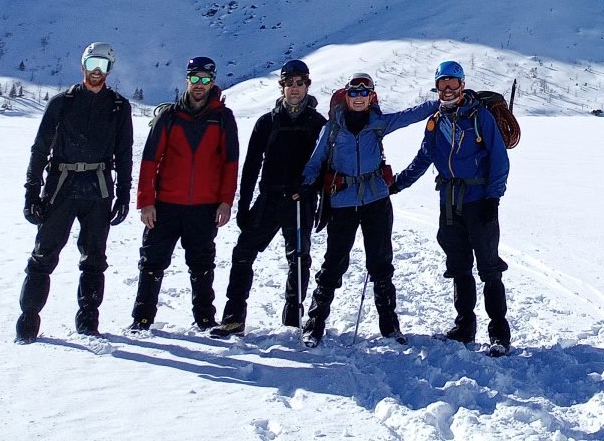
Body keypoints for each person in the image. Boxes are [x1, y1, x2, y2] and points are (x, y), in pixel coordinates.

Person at [297, 72, 436, 345]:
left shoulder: (378, 123)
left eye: (365, 93)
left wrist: (441, 101)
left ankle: (390, 326)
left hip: (376, 201)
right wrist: (305, 183)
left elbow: (411, 114)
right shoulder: (332, 128)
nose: (359, 98)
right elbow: (316, 161)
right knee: (334, 263)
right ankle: (314, 323)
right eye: (354, 93)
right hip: (342, 203)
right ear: (346, 96)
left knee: (381, 263)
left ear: (371, 97)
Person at [15, 42, 133, 342]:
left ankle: (88, 321)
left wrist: (123, 193)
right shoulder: (61, 102)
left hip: (99, 188)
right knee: (43, 255)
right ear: (82, 65)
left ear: (110, 70)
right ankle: (28, 322)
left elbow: (125, 152)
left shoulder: (119, 107)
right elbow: (40, 149)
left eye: (103, 65)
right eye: (92, 63)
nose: (97, 71)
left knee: (95, 259)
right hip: (62, 187)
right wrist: (32, 192)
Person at [392, 59, 512, 353]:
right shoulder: (436, 122)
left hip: (480, 201)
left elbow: (499, 159)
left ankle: (499, 334)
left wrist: (494, 198)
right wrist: (396, 184)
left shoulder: (479, 116)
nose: (447, 89)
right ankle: (464, 328)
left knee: (489, 267)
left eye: (452, 83)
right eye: (442, 84)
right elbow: (424, 158)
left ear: (462, 84)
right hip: (449, 204)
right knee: (458, 266)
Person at [212, 59, 326, 337]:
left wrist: (315, 196)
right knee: (243, 253)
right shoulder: (267, 121)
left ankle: (292, 317)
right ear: (282, 87)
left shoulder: (318, 123)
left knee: (299, 258)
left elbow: (325, 165)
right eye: (289, 83)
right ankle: (233, 317)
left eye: (300, 83)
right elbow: (251, 165)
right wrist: (243, 205)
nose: (295, 89)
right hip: (270, 198)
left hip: (301, 201)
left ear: (307, 85)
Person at [129, 56, 239, 331]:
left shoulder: (223, 118)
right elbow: (150, 160)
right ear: (187, 80)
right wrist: (146, 201)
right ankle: (142, 319)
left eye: (205, 79)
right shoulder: (170, 116)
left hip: (204, 206)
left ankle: (204, 319)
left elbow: (231, 163)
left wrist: (226, 202)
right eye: (195, 79)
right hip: (165, 205)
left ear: (213, 82)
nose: (199, 84)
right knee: (152, 262)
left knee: (201, 264)